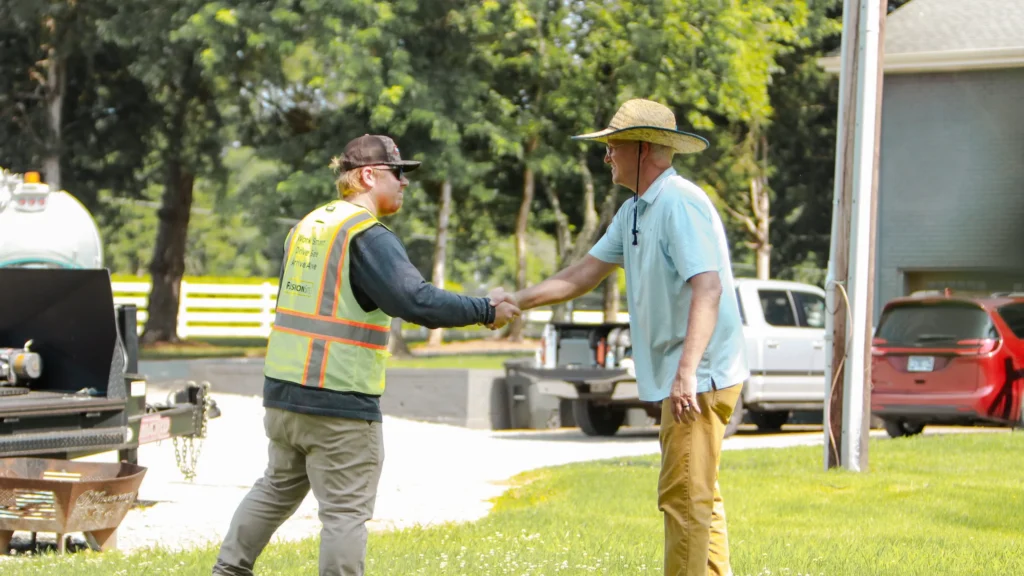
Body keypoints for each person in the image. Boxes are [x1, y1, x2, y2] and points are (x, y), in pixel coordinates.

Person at [212, 134, 520, 576]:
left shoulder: (308, 227)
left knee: (275, 487)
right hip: (339, 400)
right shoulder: (367, 235)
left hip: (284, 394)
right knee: (344, 513)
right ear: (368, 175)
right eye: (398, 173)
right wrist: (485, 310)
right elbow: (415, 301)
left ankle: (227, 570)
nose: (405, 183)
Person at [489, 99, 749, 576]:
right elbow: (584, 274)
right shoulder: (635, 211)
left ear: (643, 147)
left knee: (682, 498)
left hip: (701, 377)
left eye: (612, 146)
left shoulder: (679, 202)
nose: (605, 155)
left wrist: (686, 374)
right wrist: (514, 303)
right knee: (698, 496)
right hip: (688, 374)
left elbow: (707, 288)